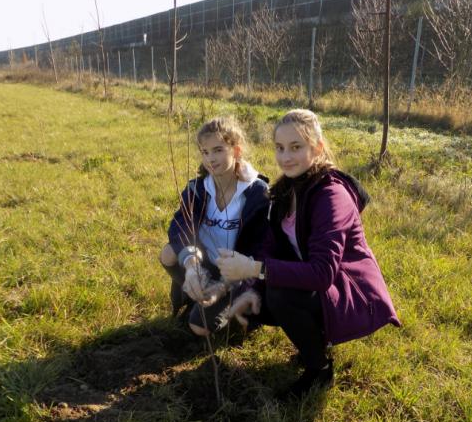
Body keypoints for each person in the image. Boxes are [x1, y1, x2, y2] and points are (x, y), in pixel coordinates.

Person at [216, 109, 400, 397]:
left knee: (280, 293)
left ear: (317, 148)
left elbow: (322, 273)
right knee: (262, 295)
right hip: (316, 285)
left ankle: (320, 370)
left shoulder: (331, 195)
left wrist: (254, 269)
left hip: (349, 291)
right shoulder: (286, 191)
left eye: (296, 147)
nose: (285, 157)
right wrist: (249, 287)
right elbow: (269, 248)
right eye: (280, 148)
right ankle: (314, 340)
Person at [160, 116, 269, 336]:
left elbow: (260, 249)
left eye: (218, 150)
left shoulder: (257, 192)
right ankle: (196, 296)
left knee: (199, 328)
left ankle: (243, 318)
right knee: (169, 253)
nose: (210, 159)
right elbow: (180, 227)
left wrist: (224, 286)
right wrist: (193, 267)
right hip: (207, 265)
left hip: (239, 274)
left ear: (236, 150)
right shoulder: (199, 188)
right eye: (205, 152)